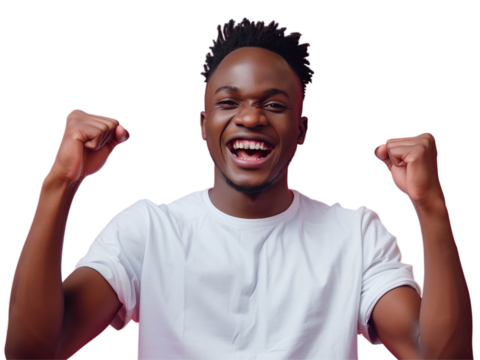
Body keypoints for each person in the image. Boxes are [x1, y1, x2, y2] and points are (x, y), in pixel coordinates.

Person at [4, 18, 473, 360]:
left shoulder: (356, 234)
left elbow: (439, 356)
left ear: (302, 130)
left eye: (273, 103)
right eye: (229, 103)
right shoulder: (147, 230)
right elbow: (33, 349)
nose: (250, 118)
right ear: (203, 128)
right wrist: (59, 185)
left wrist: (430, 206)